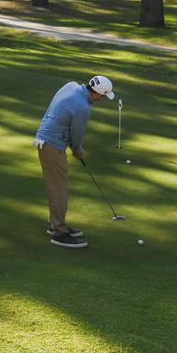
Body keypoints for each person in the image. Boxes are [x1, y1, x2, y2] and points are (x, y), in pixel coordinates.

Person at [34, 74, 115, 249]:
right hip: (52, 145)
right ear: (98, 93)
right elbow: (77, 134)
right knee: (59, 190)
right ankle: (59, 233)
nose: (103, 99)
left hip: (46, 140)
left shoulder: (71, 86)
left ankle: (55, 224)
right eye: (103, 96)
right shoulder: (83, 107)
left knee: (57, 187)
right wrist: (78, 151)